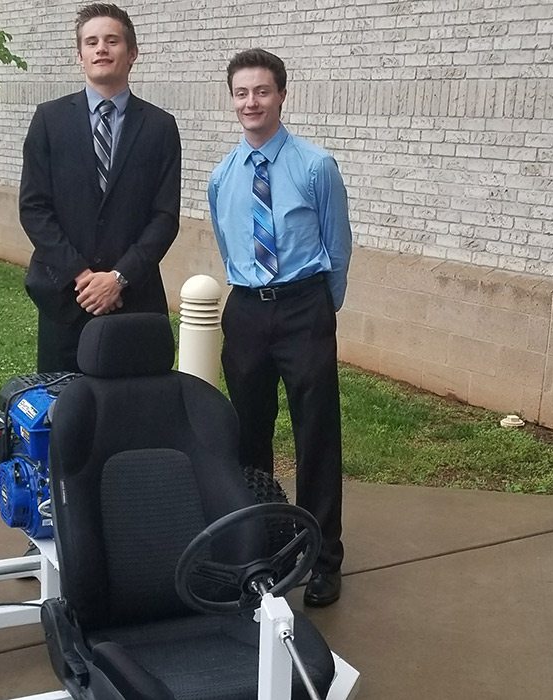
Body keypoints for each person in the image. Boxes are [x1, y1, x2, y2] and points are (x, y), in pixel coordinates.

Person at [208, 48, 353, 607]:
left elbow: (336, 245)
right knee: (248, 434)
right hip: (247, 309)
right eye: (242, 93)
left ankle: (324, 557)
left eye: (262, 91)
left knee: (317, 432)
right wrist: (250, 295)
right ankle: (263, 546)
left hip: (303, 310)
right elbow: (228, 247)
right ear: (233, 100)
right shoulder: (223, 177)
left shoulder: (316, 166)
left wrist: (321, 308)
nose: (252, 102)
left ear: (282, 95)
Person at [19, 2, 181, 372]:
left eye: (112, 41)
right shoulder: (49, 120)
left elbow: (164, 216)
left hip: (134, 300)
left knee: (132, 411)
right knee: (63, 412)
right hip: (66, 298)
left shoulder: (160, 127)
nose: (101, 49)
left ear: (132, 53)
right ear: (80, 56)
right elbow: (34, 207)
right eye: (91, 42)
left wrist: (118, 278)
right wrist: (83, 276)